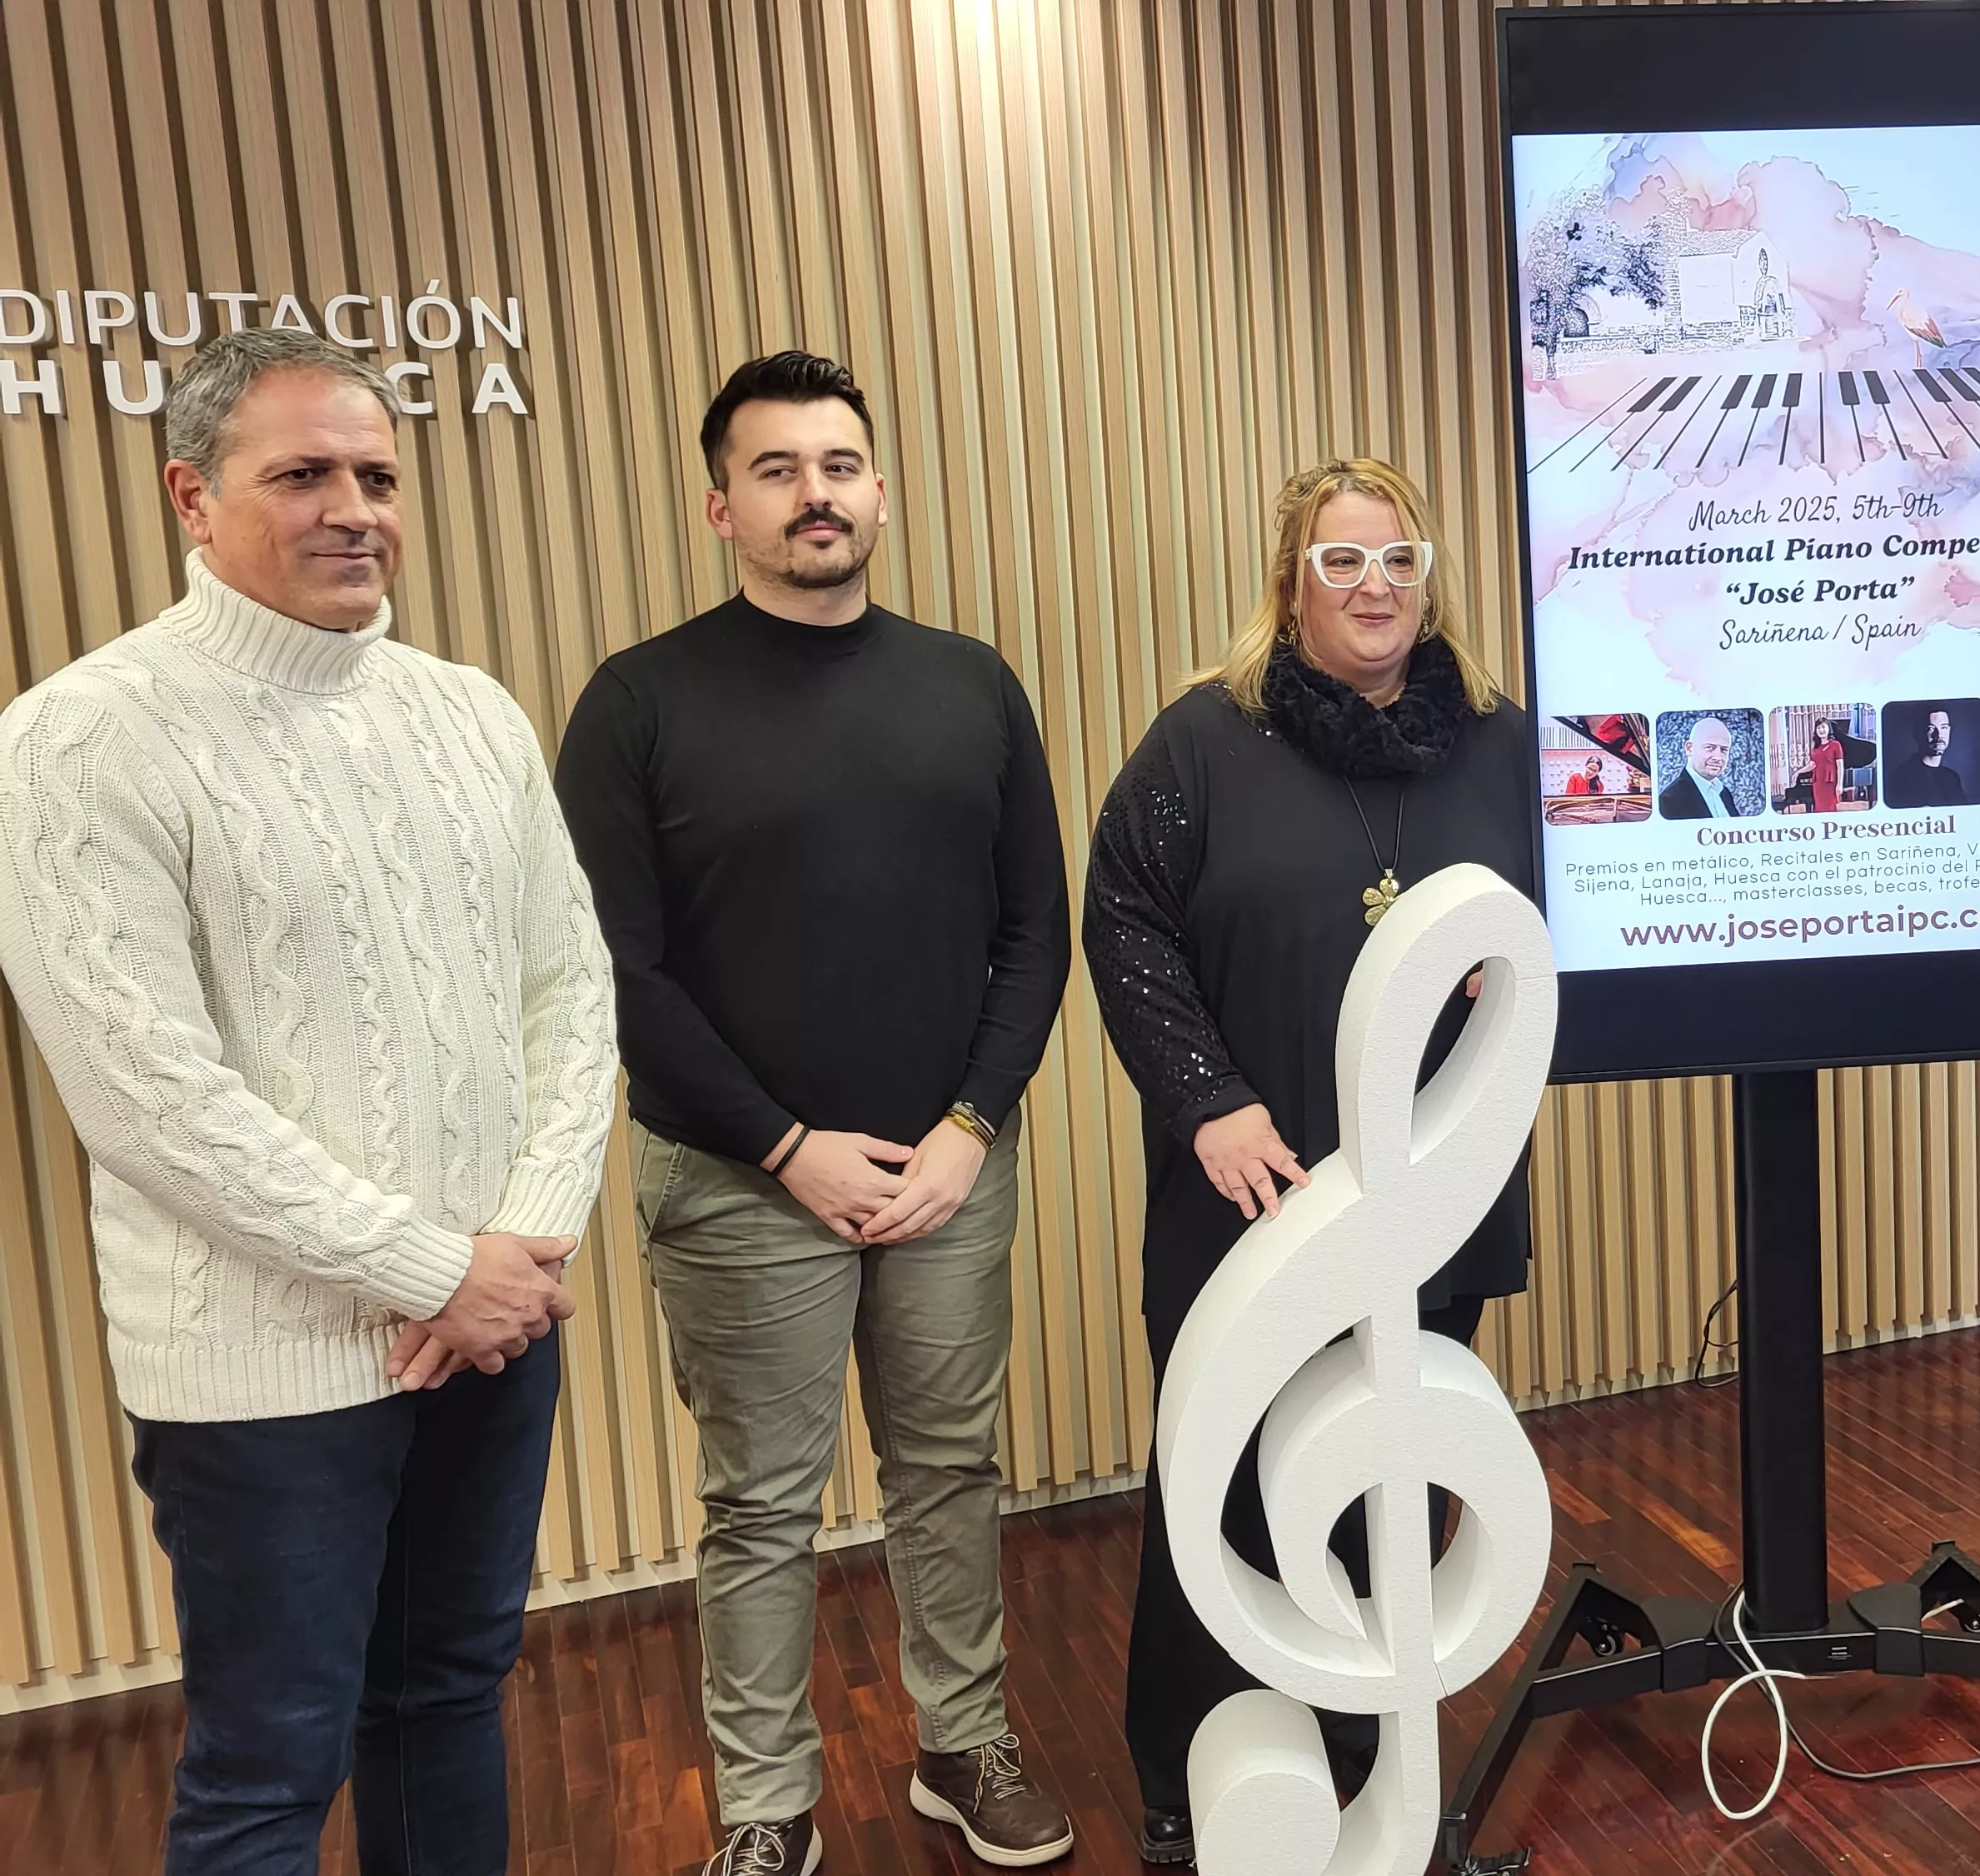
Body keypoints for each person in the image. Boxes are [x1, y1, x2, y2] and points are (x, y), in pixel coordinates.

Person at [0, 326, 616, 1874]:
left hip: (494, 1325)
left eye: (379, 474)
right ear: (192, 498)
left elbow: (571, 988)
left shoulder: (471, 710)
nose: (355, 507)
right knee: (271, 1766)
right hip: (266, 1372)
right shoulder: (72, 741)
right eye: (305, 474)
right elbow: (149, 1094)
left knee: (446, 1700)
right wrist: (434, 1271)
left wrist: (526, 1243)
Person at [553, 352, 1075, 1874]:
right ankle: (767, 1807)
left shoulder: (971, 683)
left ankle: (962, 1744)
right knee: (763, 1506)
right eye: (776, 470)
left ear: (882, 492)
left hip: (948, 1170)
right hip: (736, 1177)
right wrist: (789, 1148)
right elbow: (615, 968)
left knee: (948, 1469)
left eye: (838, 463)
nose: (814, 493)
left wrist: (972, 1126)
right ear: (723, 508)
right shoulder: (640, 701)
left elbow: (1033, 932)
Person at [1085, 458, 1539, 1867]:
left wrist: (1507, 976)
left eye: (1397, 557)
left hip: (1426, 1195)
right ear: (1292, 582)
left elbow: (1557, 910)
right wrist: (1207, 1098)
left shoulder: (1499, 738)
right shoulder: (1201, 743)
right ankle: (1188, 1767)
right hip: (1254, 1191)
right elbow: (1125, 923)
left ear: (1429, 572)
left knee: (1388, 1476)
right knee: (1222, 1492)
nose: (1374, 587)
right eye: (1342, 562)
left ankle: (1365, 1766)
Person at [1882, 702, 1980, 808]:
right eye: (1931, 729)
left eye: (1943, 728)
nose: (1939, 735)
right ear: (1917, 733)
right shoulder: (1903, 778)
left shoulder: (1951, 777)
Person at [1658, 711, 1746, 818]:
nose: (1718, 757)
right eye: (1710, 748)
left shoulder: (1724, 793)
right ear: (1689, 749)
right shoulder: (1669, 801)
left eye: (1724, 750)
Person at [1805, 716, 1876, 811]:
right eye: (1818, 728)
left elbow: (1840, 766)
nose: (1821, 730)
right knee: (1819, 808)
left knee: (1830, 807)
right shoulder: (1816, 747)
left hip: (1830, 781)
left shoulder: (1835, 745)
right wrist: (1798, 772)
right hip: (1818, 782)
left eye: (1823, 727)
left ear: (1828, 729)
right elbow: (1812, 765)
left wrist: (1839, 785)